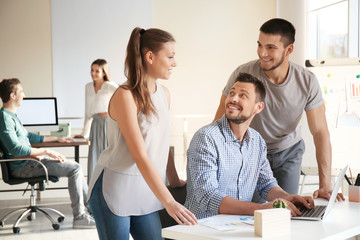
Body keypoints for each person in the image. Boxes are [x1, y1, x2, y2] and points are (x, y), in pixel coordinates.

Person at [214, 18, 344, 202]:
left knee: (286, 209)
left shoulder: (306, 81)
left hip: (288, 152)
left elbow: (320, 132)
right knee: (252, 213)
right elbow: (219, 122)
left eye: (271, 47)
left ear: (289, 49)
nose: (262, 53)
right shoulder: (243, 74)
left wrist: (325, 185)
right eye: (259, 45)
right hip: (250, 151)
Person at [87, 27, 198, 240]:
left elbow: (162, 143)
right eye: (171, 57)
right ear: (150, 57)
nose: (175, 63)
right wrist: (170, 203)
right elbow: (140, 155)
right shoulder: (125, 95)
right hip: (114, 188)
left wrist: (173, 180)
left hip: (147, 189)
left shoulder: (164, 94)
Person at [185, 73, 314, 219]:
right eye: (232, 93)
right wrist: (262, 208)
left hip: (237, 226)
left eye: (243, 96)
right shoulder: (206, 138)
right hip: (203, 229)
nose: (233, 98)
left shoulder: (257, 141)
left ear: (258, 107)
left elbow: (266, 184)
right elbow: (208, 197)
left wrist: (289, 197)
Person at [0, 78, 95, 229]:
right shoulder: (5, 119)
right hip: (23, 167)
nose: (24, 95)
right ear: (12, 95)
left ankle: (91, 211)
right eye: (21, 91)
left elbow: (29, 137)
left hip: (29, 162)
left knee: (75, 167)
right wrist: (46, 150)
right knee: (75, 168)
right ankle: (80, 217)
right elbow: (16, 149)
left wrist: (57, 138)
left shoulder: (11, 116)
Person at [74, 59, 118, 184]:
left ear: (104, 72)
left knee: (108, 157)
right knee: (94, 158)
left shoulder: (110, 86)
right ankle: (93, 194)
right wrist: (84, 134)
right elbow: (87, 111)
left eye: (97, 71)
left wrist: (112, 113)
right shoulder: (88, 86)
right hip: (95, 125)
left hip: (108, 124)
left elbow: (124, 97)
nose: (93, 73)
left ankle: (110, 189)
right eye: (92, 70)